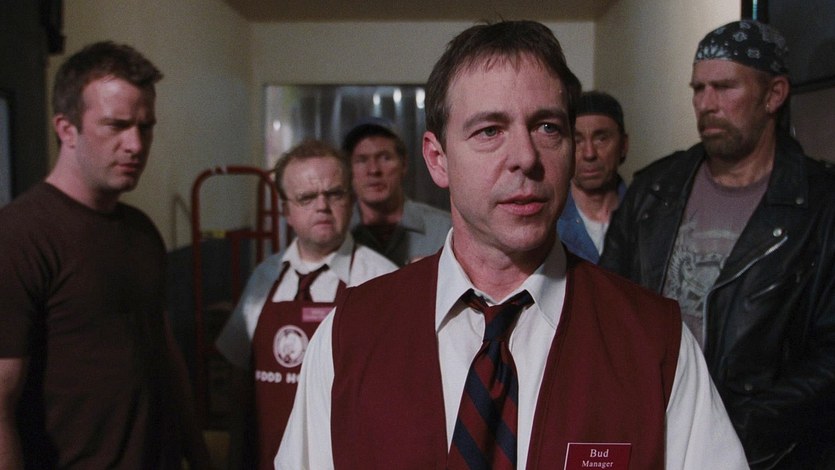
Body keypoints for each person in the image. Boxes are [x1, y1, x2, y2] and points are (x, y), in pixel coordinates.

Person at [276, 20, 747, 469]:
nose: (525, 157)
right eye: (489, 131)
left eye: (547, 128)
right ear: (438, 160)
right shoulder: (347, 338)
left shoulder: (654, 343)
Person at [600, 19, 835, 469]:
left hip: (766, 453)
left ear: (774, 94)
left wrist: (732, 425)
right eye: (698, 89)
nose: (706, 104)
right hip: (654, 436)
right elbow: (606, 308)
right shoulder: (654, 191)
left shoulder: (820, 205)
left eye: (724, 88)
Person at [0, 42, 210, 469]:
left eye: (145, 127)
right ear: (66, 129)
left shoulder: (141, 231)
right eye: (116, 125)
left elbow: (165, 354)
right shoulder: (20, 235)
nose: (135, 144)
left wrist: (199, 456)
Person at [215, 139, 397, 469]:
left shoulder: (382, 280)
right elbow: (239, 376)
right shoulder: (264, 277)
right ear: (286, 211)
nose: (322, 206)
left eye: (334, 194)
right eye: (306, 197)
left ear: (351, 200)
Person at [343, 116, 451, 265]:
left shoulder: (445, 230)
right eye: (361, 160)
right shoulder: (337, 233)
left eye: (385, 158)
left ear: (404, 164)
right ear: (349, 169)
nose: (373, 170)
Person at [557, 91, 628, 263]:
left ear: (623, 145)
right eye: (577, 140)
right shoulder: (548, 223)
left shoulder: (645, 219)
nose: (589, 153)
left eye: (601, 139)